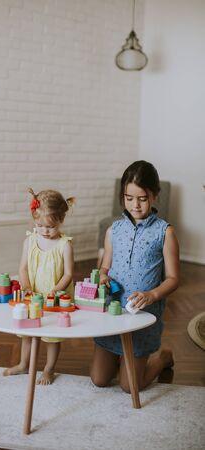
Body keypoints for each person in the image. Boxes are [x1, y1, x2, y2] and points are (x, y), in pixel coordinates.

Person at [90, 160, 180, 393]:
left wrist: (152, 295)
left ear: (155, 195)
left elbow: (173, 279)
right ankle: (123, 360)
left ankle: (161, 360)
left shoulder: (165, 232)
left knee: (130, 386)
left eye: (142, 198)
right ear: (122, 196)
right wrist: (102, 277)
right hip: (113, 313)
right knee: (99, 379)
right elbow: (104, 267)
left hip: (143, 316)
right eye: (129, 198)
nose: (135, 205)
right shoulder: (113, 230)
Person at [4, 188, 75, 385]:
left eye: (50, 227)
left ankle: (49, 368)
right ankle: (23, 364)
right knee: (27, 331)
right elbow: (23, 267)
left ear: (61, 220)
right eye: (39, 225)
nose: (44, 230)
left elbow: (69, 273)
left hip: (54, 298)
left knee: (51, 336)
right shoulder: (30, 241)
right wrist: (26, 285)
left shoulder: (64, 245)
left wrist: (56, 288)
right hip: (32, 295)